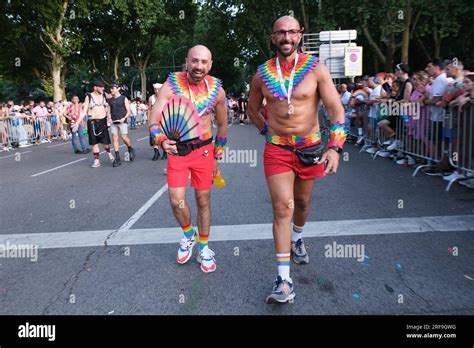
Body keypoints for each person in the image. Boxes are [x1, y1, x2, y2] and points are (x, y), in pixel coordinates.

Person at [248, 16, 346, 303]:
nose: (286, 37)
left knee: (302, 204)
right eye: (280, 32)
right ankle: (283, 280)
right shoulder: (262, 73)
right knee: (283, 207)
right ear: (273, 37)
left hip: (311, 149)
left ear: (300, 36)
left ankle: (297, 237)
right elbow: (253, 109)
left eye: (291, 32)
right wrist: (267, 131)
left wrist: (335, 148)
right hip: (277, 150)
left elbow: (335, 110)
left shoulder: (316, 69)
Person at [149, 45, 228, 273]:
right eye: (195, 61)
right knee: (176, 201)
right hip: (178, 151)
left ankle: (203, 246)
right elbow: (154, 118)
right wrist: (160, 139)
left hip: (204, 151)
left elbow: (222, 124)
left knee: (203, 200)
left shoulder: (217, 91)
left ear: (210, 65)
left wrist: (218, 154)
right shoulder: (171, 84)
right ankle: (188, 234)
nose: (199, 66)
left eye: (204, 62)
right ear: (187, 61)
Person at [72, 80, 114, 168]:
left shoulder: (104, 95)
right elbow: (83, 112)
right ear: (95, 87)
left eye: (103, 87)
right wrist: (76, 123)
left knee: (105, 143)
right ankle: (97, 160)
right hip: (92, 122)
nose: (102, 88)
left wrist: (109, 116)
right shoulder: (89, 97)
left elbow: (110, 101)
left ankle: (110, 154)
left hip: (102, 121)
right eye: (100, 87)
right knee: (94, 143)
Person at [108, 83, 135, 167]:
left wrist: (124, 118)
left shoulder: (124, 98)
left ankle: (130, 148)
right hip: (114, 122)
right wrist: (109, 119)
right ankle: (117, 157)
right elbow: (108, 111)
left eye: (113, 88)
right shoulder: (110, 100)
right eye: (111, 88)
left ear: (118, 89)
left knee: (124, 138)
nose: (111, 90)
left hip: (122, 121)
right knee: (115, 139)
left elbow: (128, 111)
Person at [149, 83, 167, 161]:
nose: (156, 91)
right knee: (154, 135)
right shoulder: (151, 98)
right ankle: (156, 152)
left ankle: (165, 151)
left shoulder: (165, 97)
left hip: (163, 119)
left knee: (163, 135)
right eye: (155, 89)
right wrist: (149, 119)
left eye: (158, 90)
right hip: (154, 119)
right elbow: (149, 109)